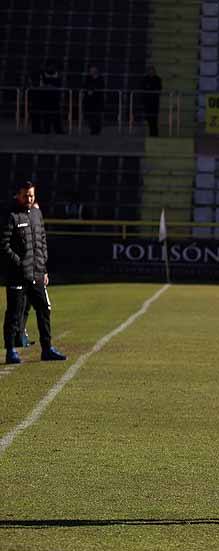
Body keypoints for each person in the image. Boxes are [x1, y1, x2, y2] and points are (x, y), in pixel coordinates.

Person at [2, 181, 67, 365]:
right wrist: (19, 263)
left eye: (31, 195)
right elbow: (4, 245)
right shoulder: (11, 215)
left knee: (44, 309)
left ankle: (47, 348)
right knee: (14, 313)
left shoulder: (37, 214)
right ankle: (11, 350)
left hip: (37, 274)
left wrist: (43, 268)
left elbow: (42, 241)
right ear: (18, 195)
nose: (29, 198)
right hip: (17, 275)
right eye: (25, 195)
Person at [140, 66, 163, 137]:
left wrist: (150, 89)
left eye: (152, 71)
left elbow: (158, 89)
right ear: (148, 71)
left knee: (154, 119)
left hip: (155, 102)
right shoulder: (145, 79)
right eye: (150, 71)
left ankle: (154, 135)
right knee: (149, 119)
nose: (151, 72)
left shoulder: (158, 79)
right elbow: (143, 89)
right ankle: (152, 134)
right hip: (147, 102)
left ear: (154, 71)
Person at [82, 65, 105, 136]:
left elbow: (101, 86)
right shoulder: (88, 78)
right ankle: (92, 129)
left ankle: (97, 129)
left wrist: (93, 89)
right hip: (89, 100)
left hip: (98, 100)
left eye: (93, 70)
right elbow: (85, 86)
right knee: (90, 116)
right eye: (90, 70)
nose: (91, 71)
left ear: (96, 70)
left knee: (97, 115)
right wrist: (89, 90)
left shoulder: (101, 78)